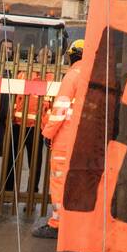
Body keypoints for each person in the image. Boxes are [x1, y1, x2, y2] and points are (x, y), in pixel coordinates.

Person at [32, 38, 86, 239]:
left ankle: (57, 224)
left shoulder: (73, 75)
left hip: (65, 140)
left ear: (72, 55)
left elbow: (60, 110)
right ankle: (76, 225)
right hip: (85, 141)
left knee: (60, 182)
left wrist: (47, 133)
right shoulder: (96, 77)